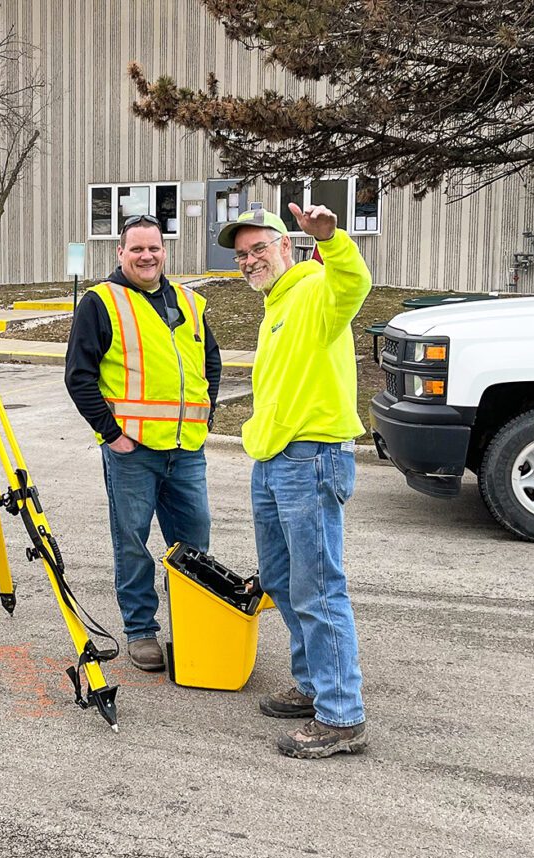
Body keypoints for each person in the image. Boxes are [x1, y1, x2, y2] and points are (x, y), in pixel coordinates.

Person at [217, 202, 372, 758]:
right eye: (242, 254)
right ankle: (312, 685)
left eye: (260, 247)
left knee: (317, 585)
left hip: (310, 457)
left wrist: (331, 240)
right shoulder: (277, 305)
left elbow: (352, 285)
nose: (250, 259)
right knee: (282, 582)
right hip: (275, 458)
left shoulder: (314, 289)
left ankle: (341, 715)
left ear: (287, 245)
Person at [65, 215, 222, 671]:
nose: (146, 256)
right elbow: (79, 377)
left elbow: (210, 365)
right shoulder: (101, 302)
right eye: (136, 249)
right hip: (133, 453)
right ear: (120, 253)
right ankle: (142, 630)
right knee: (132, 541)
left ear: (164, 251)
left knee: (194, 543)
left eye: (153, 248)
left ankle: (193, 624)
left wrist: (203, 415)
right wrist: (112, 434)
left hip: (186, 449)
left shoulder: (191, 303)